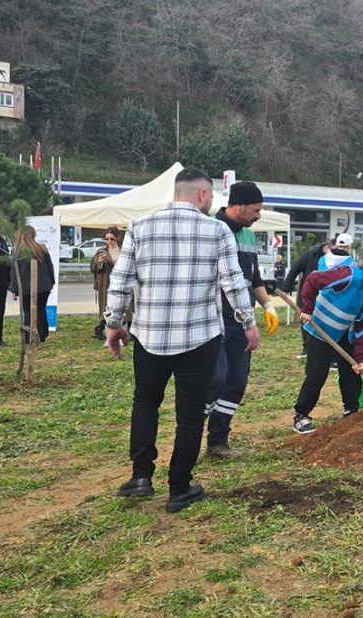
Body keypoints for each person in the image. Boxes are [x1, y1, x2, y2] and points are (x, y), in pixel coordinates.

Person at [106, 167, 260, 513]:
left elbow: (121, 281)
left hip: (149, 336)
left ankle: (141, 477)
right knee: (189, 415)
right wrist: (248, 323)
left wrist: (114, 324)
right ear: (203, 195)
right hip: (199, 337)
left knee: (145, 403)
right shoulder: (217, 230)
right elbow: (233, 283)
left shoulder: (140, 227)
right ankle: (180, 487)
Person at [203, 181, 282, 459]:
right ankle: (189, 435)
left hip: (242, 319)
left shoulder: (248, 236)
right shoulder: (212, 229)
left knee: (236, 380)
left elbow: (254, 278)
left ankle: (218, 440)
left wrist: (268, 306)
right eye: (256, 210)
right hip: (214, 318)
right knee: (216, 378)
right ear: (237, 206)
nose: (259, 216)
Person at [292, 256, 363, 433]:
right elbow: (313, 280)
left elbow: (362, 328)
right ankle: (301, 414)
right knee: (317, 372)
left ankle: (352, 411)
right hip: (319, 327)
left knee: (351, 370)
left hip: (344, 331)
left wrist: (359, 358)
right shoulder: (351, 275)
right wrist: (308, 309)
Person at [282, 238, 330, 359]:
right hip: (307, 293)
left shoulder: (335, 257)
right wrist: (286, 287)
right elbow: (295, 268)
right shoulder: (310, 255)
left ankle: (324, 350)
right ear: (325, 247)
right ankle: (306, 348)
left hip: (326, 294)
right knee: (305, 319)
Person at [9, 226, 56, 344]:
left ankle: (28, 337)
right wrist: (51, 283)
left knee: (27, 311)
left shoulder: (17, 251)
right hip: (43, 286)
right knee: (41, 310)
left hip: (25, 288)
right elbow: (50, 267)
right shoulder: (41, 248)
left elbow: (15, 272)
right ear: (33, 235)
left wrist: (13, 289)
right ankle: (42, 334)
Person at [91, 226, 127, 341]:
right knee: (106, 305)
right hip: (105, 283)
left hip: (121, 282)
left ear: (117, 238)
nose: (109, 242)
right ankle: (100, 328)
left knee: (122, 305)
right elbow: (93, 268)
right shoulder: (101, 251)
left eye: (112, 239)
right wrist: (99, 263)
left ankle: (125, 329)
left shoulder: (124, 251)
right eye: (107, 239)